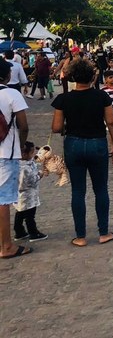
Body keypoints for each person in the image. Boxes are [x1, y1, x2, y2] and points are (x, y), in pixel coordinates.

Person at [52, 59, 113, 246]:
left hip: (73, 144)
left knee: (77, 191)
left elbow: (56, 127)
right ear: (93, 77)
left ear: (72, 77)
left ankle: (80, 236)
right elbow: (112, 123)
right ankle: (104, 232)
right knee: (100, 189)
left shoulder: (63, 99)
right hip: (97, 143)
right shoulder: (101, 97)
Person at [0, 60, 32, 258]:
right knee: (3, 201)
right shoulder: (12, 94)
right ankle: (6, 246)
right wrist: (21, 145)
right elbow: (24, 125)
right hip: (6, 153)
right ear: (7, 76)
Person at [13, 141, 46, 242]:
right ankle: (33, 232)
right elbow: (29, 181)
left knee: (20, 213)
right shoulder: (24, 168)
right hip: (27, 196)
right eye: (31, 153)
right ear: (24, 154)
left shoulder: (18, 164)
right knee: (30, 215)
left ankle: (19, 231)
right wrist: (39, 175)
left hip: (20, 196)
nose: (33, 155)